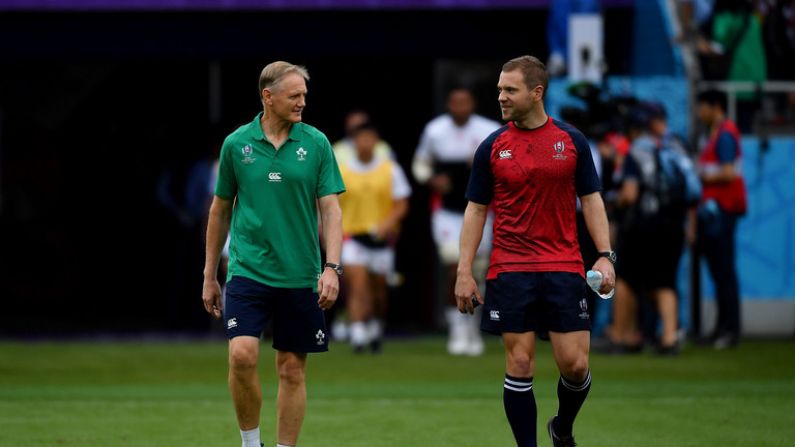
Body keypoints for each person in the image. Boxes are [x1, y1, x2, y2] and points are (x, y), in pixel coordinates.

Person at [455, 55, 615, 447]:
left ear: (537, 92)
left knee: (575, 366)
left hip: (564, 265)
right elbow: (476, 209)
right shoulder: (492, 147)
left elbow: (591, 200)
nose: (501, 97)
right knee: (520, 363)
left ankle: (562, 427)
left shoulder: (571, 141)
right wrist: (463, 271)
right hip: (510, 268)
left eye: (510, 90)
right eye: (499, 90)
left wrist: (605, 255)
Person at [202, 61, 345, 447]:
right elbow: (220, 210)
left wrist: (332, 268)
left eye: (304, 95)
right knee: (242, 356)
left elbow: (331, 209)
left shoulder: (316, 143)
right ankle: (252, 444)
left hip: (301, 273)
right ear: (268, 96)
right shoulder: (237, 144)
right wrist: (209, 275)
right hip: (247, 270)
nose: (303, 102)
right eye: (294, 95)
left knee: (292, 370)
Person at [412, 87, 501, 356]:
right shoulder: (435, 130)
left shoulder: (489, 129)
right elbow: (421, 163)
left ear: (472, 103)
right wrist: (431, 179)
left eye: (465, 102)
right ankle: (457, 328)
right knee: (455, 267)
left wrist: (483, 166)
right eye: (455, 103)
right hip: (448, 211)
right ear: (449, 104)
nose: (460, 107)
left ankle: (474, 328)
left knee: (479, 271)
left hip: (482, 209)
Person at [612, 103, 701, 355]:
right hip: (674, 223)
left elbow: (630, 194)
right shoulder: (676, 147)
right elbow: (691, 192)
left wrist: (614, 202)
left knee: (627, 279)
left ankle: (623, 336)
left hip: (643, 226)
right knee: (665, 282)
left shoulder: (636, 152)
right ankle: (670, 338)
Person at [338, 122, 411, 353]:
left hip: (381, 239)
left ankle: (376, 327)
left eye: (370, 139)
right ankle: (358, 334)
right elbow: (332, 205)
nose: (366, 144)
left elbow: (401, 203)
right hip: (352, 235)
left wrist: (387, 223)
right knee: (358, 285)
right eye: (361, 139)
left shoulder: (390, 169)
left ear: (377, 142)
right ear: (354, 143)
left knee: (378, 291)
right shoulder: (343, 170)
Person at [695, 89, 747, 349]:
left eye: (701, 106)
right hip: (714, 211)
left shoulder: (725, 135)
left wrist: (700, 177)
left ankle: (730, 330)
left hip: (723, 211)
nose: (698, 112)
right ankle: (721, 328)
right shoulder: (713, 134)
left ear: (714, 106)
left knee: (724, 272)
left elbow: (727, 173)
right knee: (718, 272)